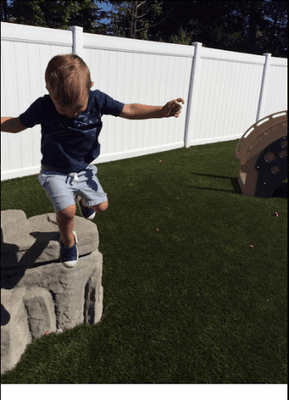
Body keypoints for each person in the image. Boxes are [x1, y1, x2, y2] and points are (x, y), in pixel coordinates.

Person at [1, 53, 184, 268]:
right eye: (62, 107)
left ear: (90, 87)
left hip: (84, 169)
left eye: (77, 108)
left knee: (102, 206)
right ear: (49, 91)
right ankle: (68, 241)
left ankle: (83, 200)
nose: (70, 113)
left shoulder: (98, 100)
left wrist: (161, 111)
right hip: (54, 170)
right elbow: (16, 124)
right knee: (66, 211)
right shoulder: (43, 106)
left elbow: (129, 109)